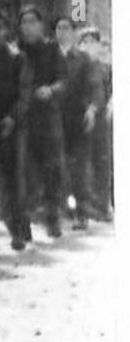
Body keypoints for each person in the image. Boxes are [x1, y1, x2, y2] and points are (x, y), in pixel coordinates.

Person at [16, 6, 68, 237]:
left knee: (50, 169)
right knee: (21, 171)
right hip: (22, 117)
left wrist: (51, 90)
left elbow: (64, 80)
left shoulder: (51, 49)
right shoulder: (14, 50)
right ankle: (23, 222)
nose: (28, 26)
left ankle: (52, 218)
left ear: (40, 25)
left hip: (46, 117)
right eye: (24, 22)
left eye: (32, 22)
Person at [0, 9, 30, 250]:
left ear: (6, 30)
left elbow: (24, 94)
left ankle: (18, 231)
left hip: (9, 126)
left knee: (12, 181)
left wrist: (12, 117)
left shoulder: (16, 57)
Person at [55, 16, 103, 231]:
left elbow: (94, 87)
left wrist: (92, 109)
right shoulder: (49, 58)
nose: (62, 32)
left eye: (66, 28)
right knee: (57, 165)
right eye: (59, 28)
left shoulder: (84, 59)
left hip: (77, 118)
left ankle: (81, 213)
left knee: (79, 167)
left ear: (74, 33)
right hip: (53, 118)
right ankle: (60, 209)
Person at [79, 27, 113, 220]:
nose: (88, 45)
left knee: (101, 160)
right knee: (85, 161)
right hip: (82, 119)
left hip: (101, 120)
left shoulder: (105, 67)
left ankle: (102, 205)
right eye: (84, 41)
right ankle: (88, 203)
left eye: (92, 41)